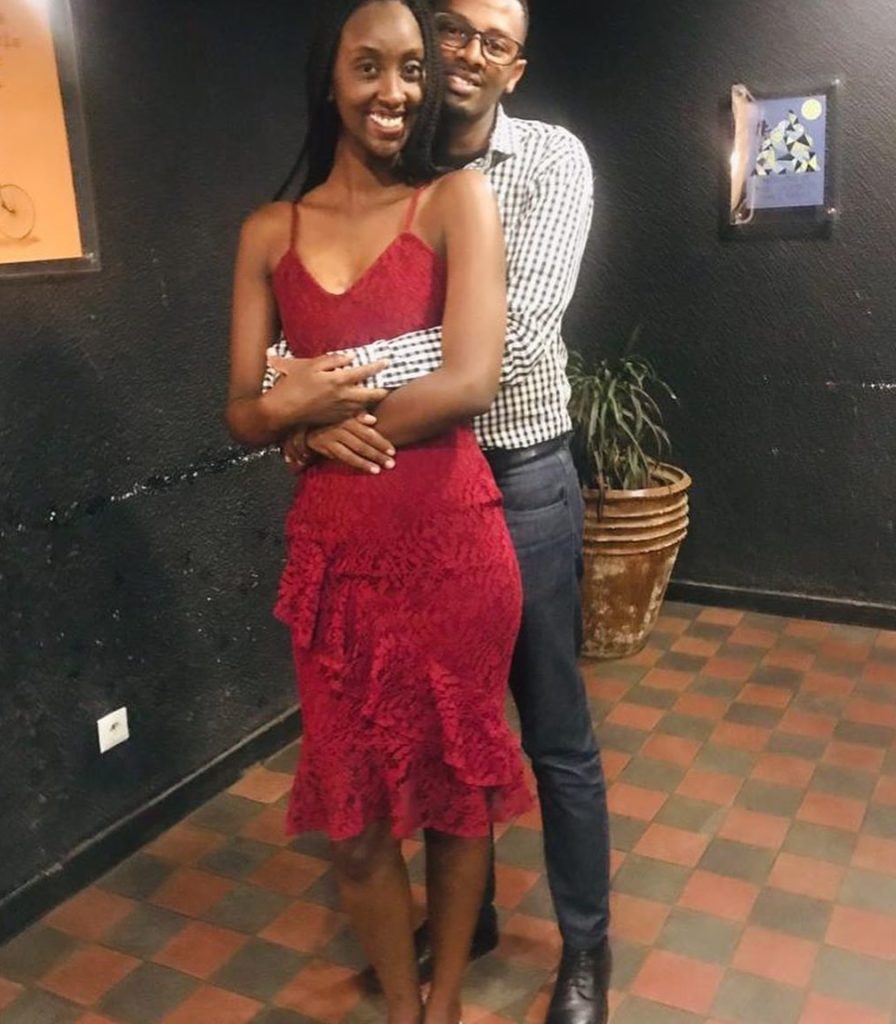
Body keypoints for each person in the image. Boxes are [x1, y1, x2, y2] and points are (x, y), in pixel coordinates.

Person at [268, 2, 612, 1022]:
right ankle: (478, 918)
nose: (468, 53)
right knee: (447, 731)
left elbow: (506, 339)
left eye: (494, 42)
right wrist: (295, 393)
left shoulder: (548, 162)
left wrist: (319, 398)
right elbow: (316, 308)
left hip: (519, 477)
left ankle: (586, 946)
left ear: (516, 68)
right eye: (454, 28)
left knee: (552, 730)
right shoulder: (395, 163)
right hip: (406, 488)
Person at [225, 3, 533, 1022]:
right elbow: (242, 410)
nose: (395, 91)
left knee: (456, 799)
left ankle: (442, 1005)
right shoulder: (267, 232)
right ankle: (403, 1008)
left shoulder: (455, 200)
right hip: (336, 569)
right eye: (370, 66)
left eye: (412, 69)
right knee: (355, 823)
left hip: (455, 547)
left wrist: (319, 425)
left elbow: (472, 379)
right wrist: (290, 421)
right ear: (332, 78)